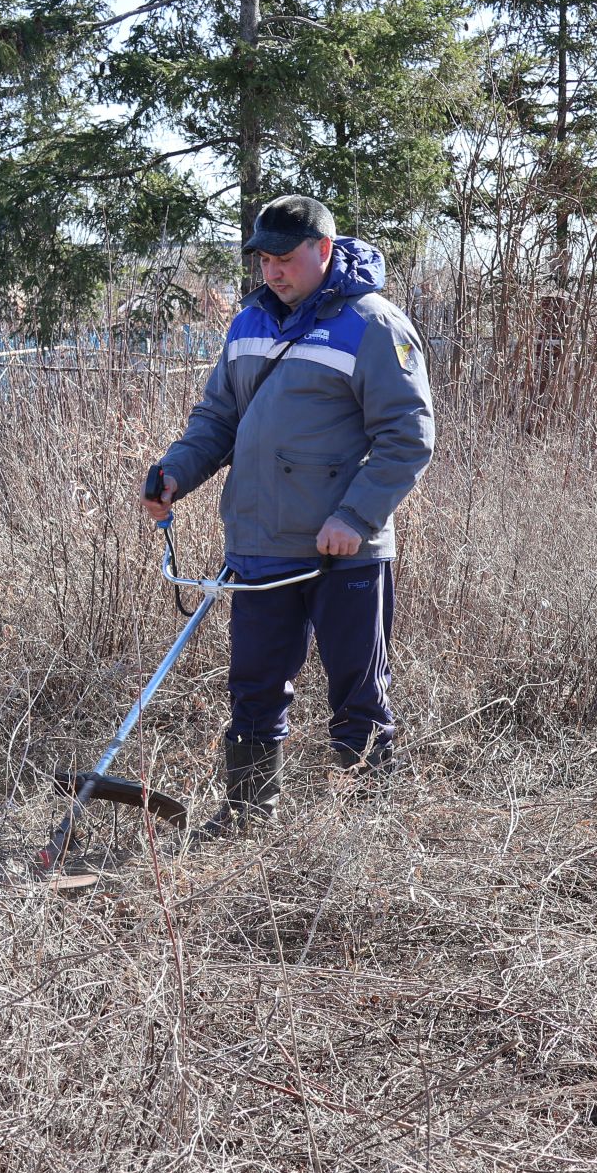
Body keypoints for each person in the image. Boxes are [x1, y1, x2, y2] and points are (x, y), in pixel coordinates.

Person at [141, 195, 434, 841]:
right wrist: (174, 474)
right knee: (253, 685)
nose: (273, 271)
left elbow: (408, 436)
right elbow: (217, 420)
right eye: (264, 259)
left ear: (323, 251)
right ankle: (248, 815)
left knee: (358, 691)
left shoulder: (374, 325)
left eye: (285, 258)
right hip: (261, 544)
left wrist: (355, 515)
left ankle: (365, 830)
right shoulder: (247, 324)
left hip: (345, 550)